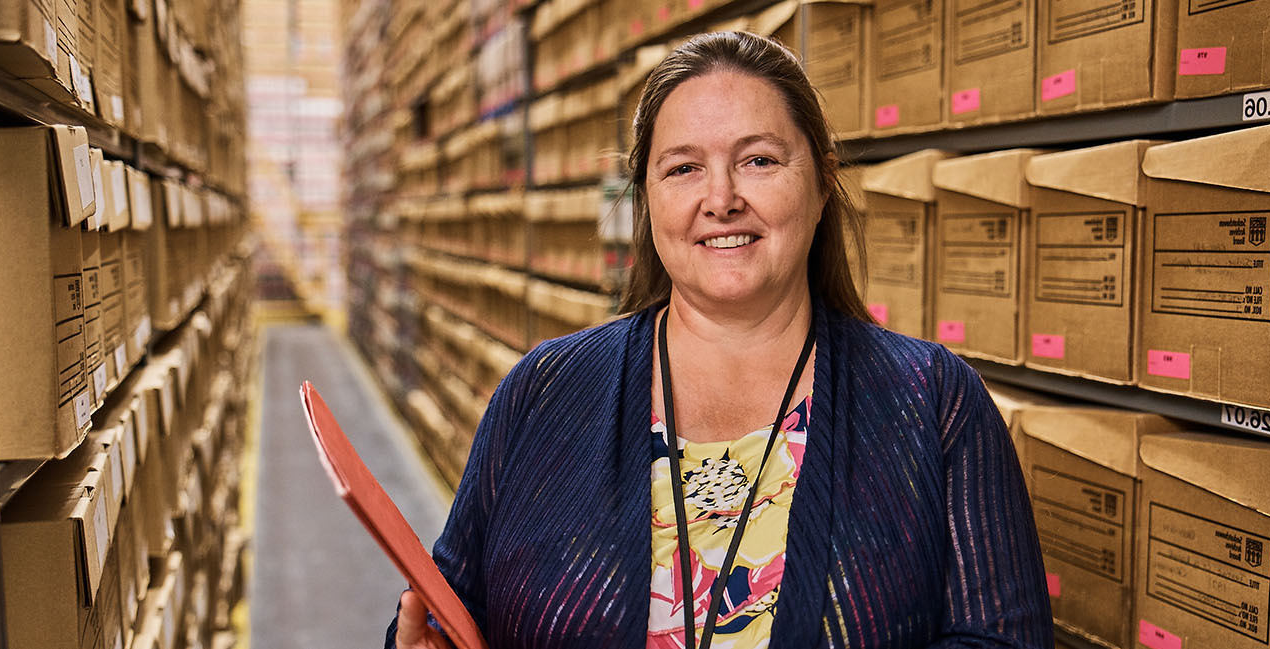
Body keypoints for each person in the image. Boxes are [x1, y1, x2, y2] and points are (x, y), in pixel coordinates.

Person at [390, 31, 1052, 649]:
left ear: (821, 184)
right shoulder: (543, 391)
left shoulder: (933, 401)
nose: (721, 197)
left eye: (758, 160)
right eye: (683, 169)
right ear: (647, 200)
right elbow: (449, 603)